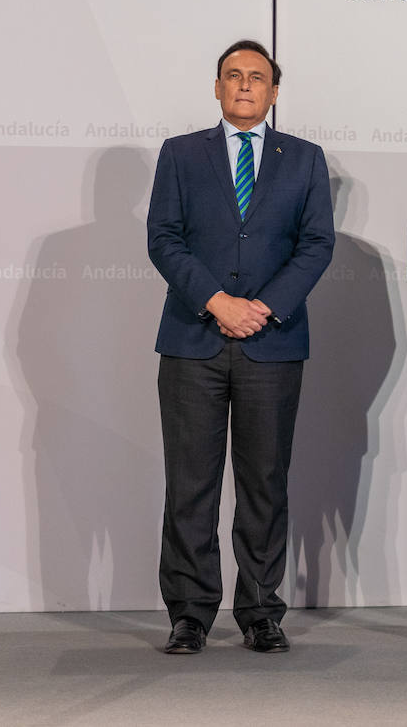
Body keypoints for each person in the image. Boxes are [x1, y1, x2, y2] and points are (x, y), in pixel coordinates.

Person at [147, 40, 334, 654]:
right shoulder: (180, 154)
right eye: (234, 76)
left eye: (258, 78)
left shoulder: (304, 160)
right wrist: (216, 302)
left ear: (275, 92)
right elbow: (164, 238)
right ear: (218, 87)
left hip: (272, 343)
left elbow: (316, 245)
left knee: (264, 482)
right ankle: (190, 613)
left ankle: (260, 611)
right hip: (193, 341)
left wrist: (264, 307)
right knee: (190, 482)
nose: (245, 86)